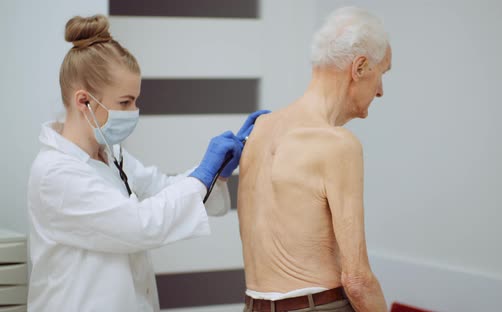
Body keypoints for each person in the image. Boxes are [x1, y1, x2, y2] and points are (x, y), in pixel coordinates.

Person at [26, 14, 268, 311]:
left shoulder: (111, 155)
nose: (134, 111)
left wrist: (216, 174)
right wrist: (204, 172)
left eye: (135, 101)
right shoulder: (56, 174)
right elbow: (139, 224)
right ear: (83, 101)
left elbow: (162, 189)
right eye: (125, 102)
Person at [237, 7, 391, 312]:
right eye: (381, 73)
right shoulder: (338, 145)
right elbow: (358, 281)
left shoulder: (259, 130)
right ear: (359, 67)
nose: (381, 91)